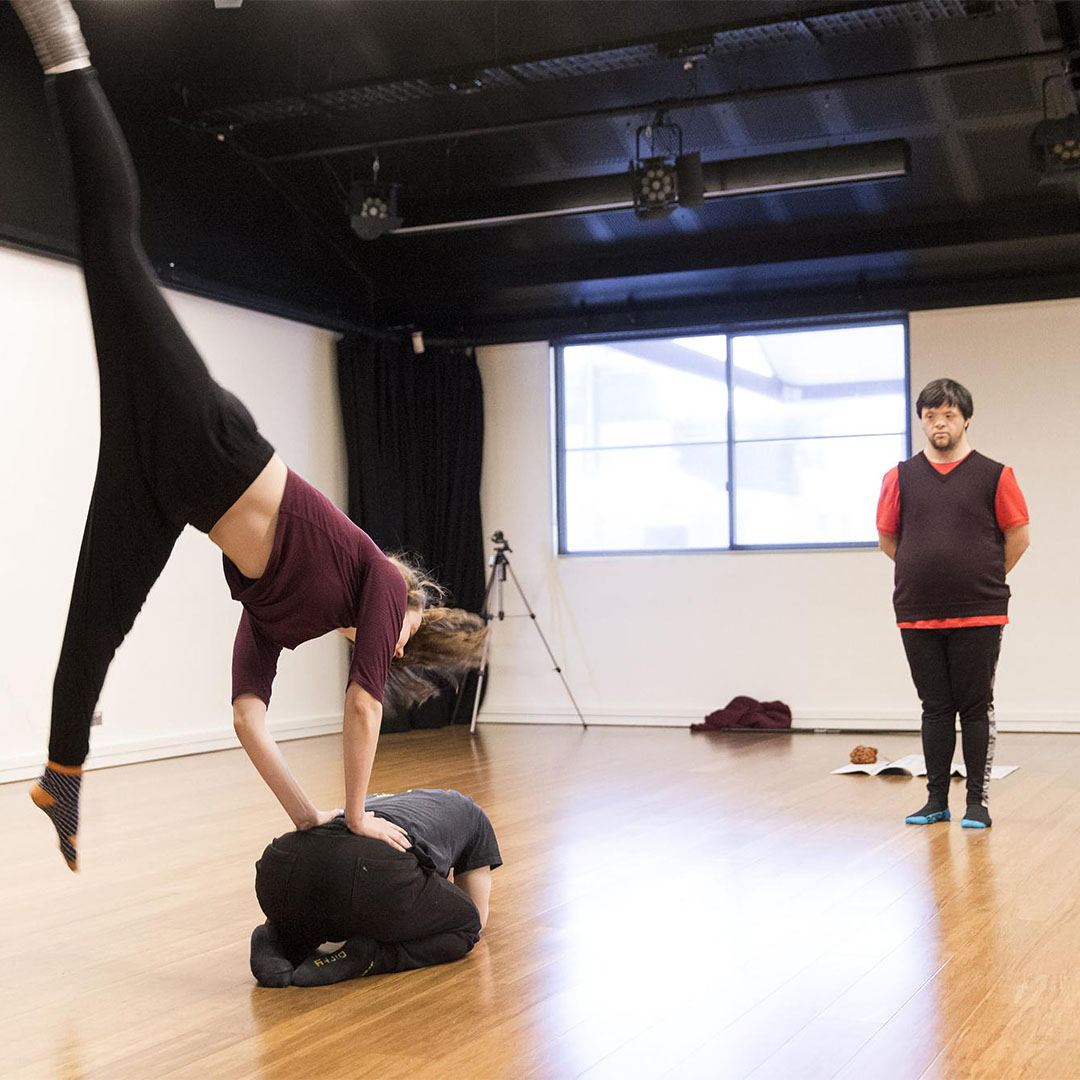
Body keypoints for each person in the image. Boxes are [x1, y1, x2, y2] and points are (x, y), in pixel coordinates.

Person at [13, 0, 485, 872]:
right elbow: (362, 708)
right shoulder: (382, 582)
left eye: (397, 644)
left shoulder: (289, 618)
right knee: (112, 249)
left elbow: (246, 719)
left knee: (95, 619)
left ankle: (61, 773)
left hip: (165, 486)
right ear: (410, 612)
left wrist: (310, 816)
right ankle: (61, 42)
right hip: (207, 439)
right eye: (405, 635)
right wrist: (354, 816)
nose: (390, 641)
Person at [877, 378, 1029, 829]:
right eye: (930, 416)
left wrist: (981, 577)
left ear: (966, 419)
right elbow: (889, 539)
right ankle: (936, 801)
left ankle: (977, 803)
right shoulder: (899, 477)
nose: (939, 423)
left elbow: (1019, 537)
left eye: (948, 415)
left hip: (980, 610)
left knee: (975, 706)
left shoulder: (996, 474)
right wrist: (926, 573)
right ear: (922, 422)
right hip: (917, 612)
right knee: (935, 707)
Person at [249, 788, 501, 988]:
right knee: (467, 925)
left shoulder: (372, 800)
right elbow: (476, 916)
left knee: (333, 895)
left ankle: (276, 936)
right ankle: (371, 957)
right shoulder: (473, 815)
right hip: (372, 872)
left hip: (279, 867)